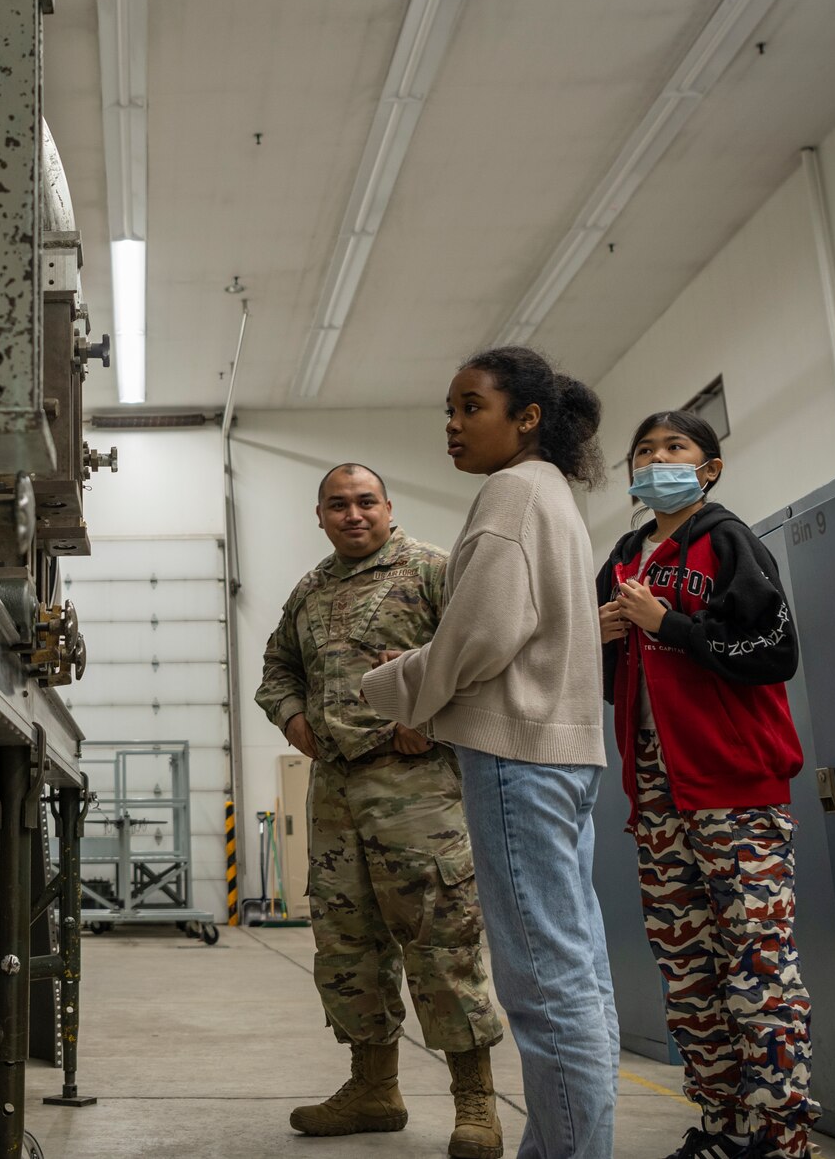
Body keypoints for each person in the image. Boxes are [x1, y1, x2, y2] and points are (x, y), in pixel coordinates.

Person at [361, 347, 619, 1159]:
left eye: (471, 407)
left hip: (519, 759)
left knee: (544, 983)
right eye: (449, 408)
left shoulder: (511, 494)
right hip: (566, 756)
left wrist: (393, 687)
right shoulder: (553, 495)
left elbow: (477, 635)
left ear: (527, 417)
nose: (453, 424)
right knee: (577, 974)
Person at [259, 463, 505, 1159]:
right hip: (335, 793)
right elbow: (277, 668)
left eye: (366, 501)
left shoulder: (432, 571)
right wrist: (292, 717)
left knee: (441, 941)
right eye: (338, 504)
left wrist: (433, 711)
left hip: (417, 787)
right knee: (346, 946)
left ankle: (476, 1101)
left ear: (389, 507)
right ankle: (374, 1089)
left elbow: (482, 659)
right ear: (320, 515)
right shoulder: (309, 590)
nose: (353, 513)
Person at [597, 411, 815, 1159]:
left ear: (710, 467)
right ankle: (725, 1127)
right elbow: (614, 682)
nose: (659, 458)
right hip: (659, 795)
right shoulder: (625, 557)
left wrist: (671, 623)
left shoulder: (728, 541)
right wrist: (599, 638)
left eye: (676, 448)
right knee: (688, 974)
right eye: (646, 450)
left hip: (736, 788)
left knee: (756, 965)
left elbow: (773, 650)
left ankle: (782, 1139)